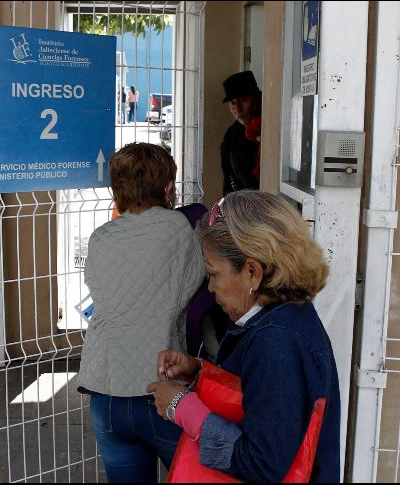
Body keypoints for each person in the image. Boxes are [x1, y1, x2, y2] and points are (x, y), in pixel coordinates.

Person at [147, 190, 341, 483]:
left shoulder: (277, 340)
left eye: (214, 274)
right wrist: (198, 371)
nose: (210, 287)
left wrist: (181, 407)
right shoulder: (284, 317)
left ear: (252, 272)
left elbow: (261, 463)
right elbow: (258, 394)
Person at [77, 142, 206, 483]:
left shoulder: (100, 237)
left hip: (105, 391)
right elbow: (199, 281)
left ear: (116, 191)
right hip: (162, 387)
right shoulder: (180, 228)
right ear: (168, 187)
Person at [220, 71, 262, 195]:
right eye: (232, 103)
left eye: (243, 100)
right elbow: (228, 177)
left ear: (257, 98)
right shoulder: (232, 135)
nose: (237, 109)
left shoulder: (270, 126)